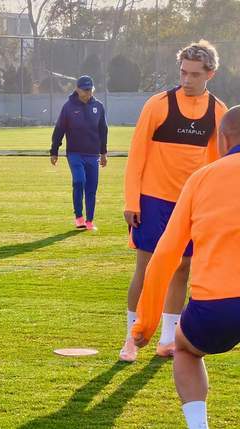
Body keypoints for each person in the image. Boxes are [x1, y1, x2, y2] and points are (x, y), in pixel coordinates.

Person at [132, 105, 240, 429]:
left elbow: (165, 255)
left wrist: (145, 325)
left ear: (222, 140)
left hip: (217, 304)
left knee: (186, 350)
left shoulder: (202, 178)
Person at [119, 40, 227, 362]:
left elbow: (219, 164)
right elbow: (136, 155)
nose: (187, 79)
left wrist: (214, 205)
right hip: (152, 201)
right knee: (146, 267)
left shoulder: (218, 111)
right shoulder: (157, 104)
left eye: (195, 74)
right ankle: (131, 338)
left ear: (210, 74)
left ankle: (168, 339)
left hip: (191, 204)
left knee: (182, 269)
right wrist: (132, 201)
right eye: (183, 72)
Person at [50, 75, 108, 231]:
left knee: (91, 187)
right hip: (75, 153)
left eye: (90, 90)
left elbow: (103, 130)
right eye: (84, 90)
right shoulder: (68, 107)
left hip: (93, 154)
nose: (87, 93)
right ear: (77, 89)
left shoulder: (98, 106)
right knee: (79, 181)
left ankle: (89, 221)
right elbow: (59, 129)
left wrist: (103, 153)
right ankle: (79, 217)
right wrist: (54, 151)